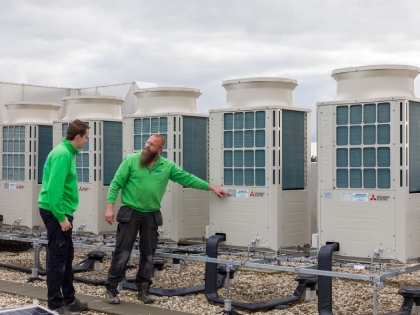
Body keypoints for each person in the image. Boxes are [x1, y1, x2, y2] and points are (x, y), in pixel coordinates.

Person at [104, 134, 229, 304]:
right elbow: (115, 183)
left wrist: (211, 187)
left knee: (148, 254)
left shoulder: (167, 166)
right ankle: (111, 289)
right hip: (130, 212)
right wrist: (110, 207)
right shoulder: (131, 160)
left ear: (160, 149)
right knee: (122, 252)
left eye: (152, 145)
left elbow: (187, 178)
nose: (147, 146)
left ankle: (143, 290)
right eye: (147, 143)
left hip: (151, 214)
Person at [38, 119, 90, 315]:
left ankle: (69, 299)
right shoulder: (63, 155)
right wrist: (61, 217)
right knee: (57, 259)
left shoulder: (67, 152)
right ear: (77, 137)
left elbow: (60, 184)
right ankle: (56, 305)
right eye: (85, 138)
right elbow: (53, 189)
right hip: (56, 212)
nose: (86, 141)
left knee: (66, 256)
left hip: (60, 210)